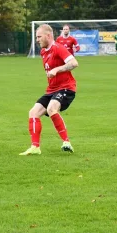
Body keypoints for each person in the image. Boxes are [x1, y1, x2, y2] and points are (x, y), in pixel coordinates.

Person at [20, 24, 78, 156]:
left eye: (39, 36)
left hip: (66, 88)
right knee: (33, 112)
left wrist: (57, 69)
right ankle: (35, 147)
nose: (37, 39)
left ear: (48, 36)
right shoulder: (43, 51)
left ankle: (66, 142)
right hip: (52, 89)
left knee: (52, 108)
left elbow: (74, 63)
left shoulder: (58, 48)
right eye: (36, 37)